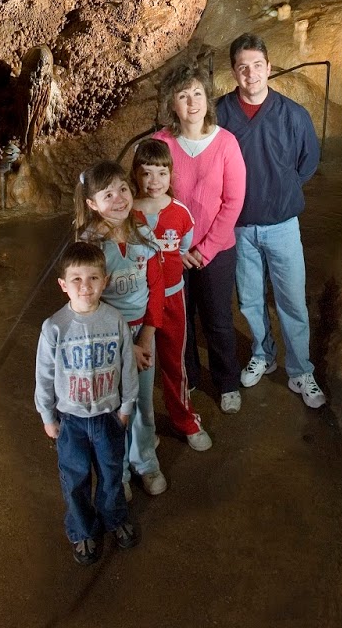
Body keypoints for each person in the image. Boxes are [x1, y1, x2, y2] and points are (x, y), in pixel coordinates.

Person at [217, 33, 326, 409]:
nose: (251, 74)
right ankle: (263, 355)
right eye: (243, 67)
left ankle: (300, 371)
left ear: (269, 67)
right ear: (234, 72)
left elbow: (307, 161)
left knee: (291, 300)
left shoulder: (293, 115)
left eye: (257, 65)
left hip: (281, 225)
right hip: (239, 225)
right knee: (249, 299)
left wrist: (282, 189)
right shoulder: (221, 114)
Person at [33, 241, 140, 565]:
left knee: (111, 475)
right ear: (63, 285)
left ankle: (113, 518)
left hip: (108, 416)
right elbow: (44, 374)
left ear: (104, 280)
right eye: (76, 279)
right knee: (75, 478)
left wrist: (126, 407)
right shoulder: (54, 327)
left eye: (93, 278)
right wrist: (47, 415)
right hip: (72, 420)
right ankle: (82, 530)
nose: (85, 286)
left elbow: (127, 366)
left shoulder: (115, 320)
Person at [155, 63, 247, 412]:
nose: (192, 102)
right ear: (173, 105)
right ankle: (189, 376)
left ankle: (226, 382)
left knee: (218, 319)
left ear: (207, 99)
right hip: (172, 250)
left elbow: (233, 201)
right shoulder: (161, 143)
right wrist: (178, 248)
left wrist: (204, 249)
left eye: (197, 93)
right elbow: (152, 195)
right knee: (180, 319)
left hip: (216, 251)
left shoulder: (226, 143)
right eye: (183, 95)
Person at [75, 161, 169, 494]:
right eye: (108, 194)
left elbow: (156, 286)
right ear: (91, 204)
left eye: (123, 189)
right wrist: (125, 345)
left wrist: (147, 333)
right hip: (107, 339)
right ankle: (119, 474)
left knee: (142, 401)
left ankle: (145, 462)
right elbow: (88, 303)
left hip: (142, 334)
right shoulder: (90, 246)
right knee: (115, 405)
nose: (119, 199)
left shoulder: (141, 229)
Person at [131, 139, 212, 450]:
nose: (154, 182)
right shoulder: (128, 214)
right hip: (138, 302)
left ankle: (184, 419)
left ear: (171, 175)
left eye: (161, 173)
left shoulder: (180, 213)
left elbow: (181, 247)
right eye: (146, 173)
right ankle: (144, 430)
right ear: (135, 175)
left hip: (172, 298)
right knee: (141, 368)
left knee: (174, 362)